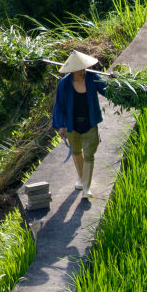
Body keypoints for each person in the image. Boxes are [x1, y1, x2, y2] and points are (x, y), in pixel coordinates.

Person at [51, 50, 112, 198]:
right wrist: (60, 126)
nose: (81, 72)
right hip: (72, 125)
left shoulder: (92, 78)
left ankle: (86, 188)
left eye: (82, 68)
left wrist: (116, 83)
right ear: (71, 70)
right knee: (77, 152)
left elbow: (107, 90)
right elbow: (59, 105)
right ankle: (81, 178)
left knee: (89, 155)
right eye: (77, 70)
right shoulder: (64, 84)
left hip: (90, 123)